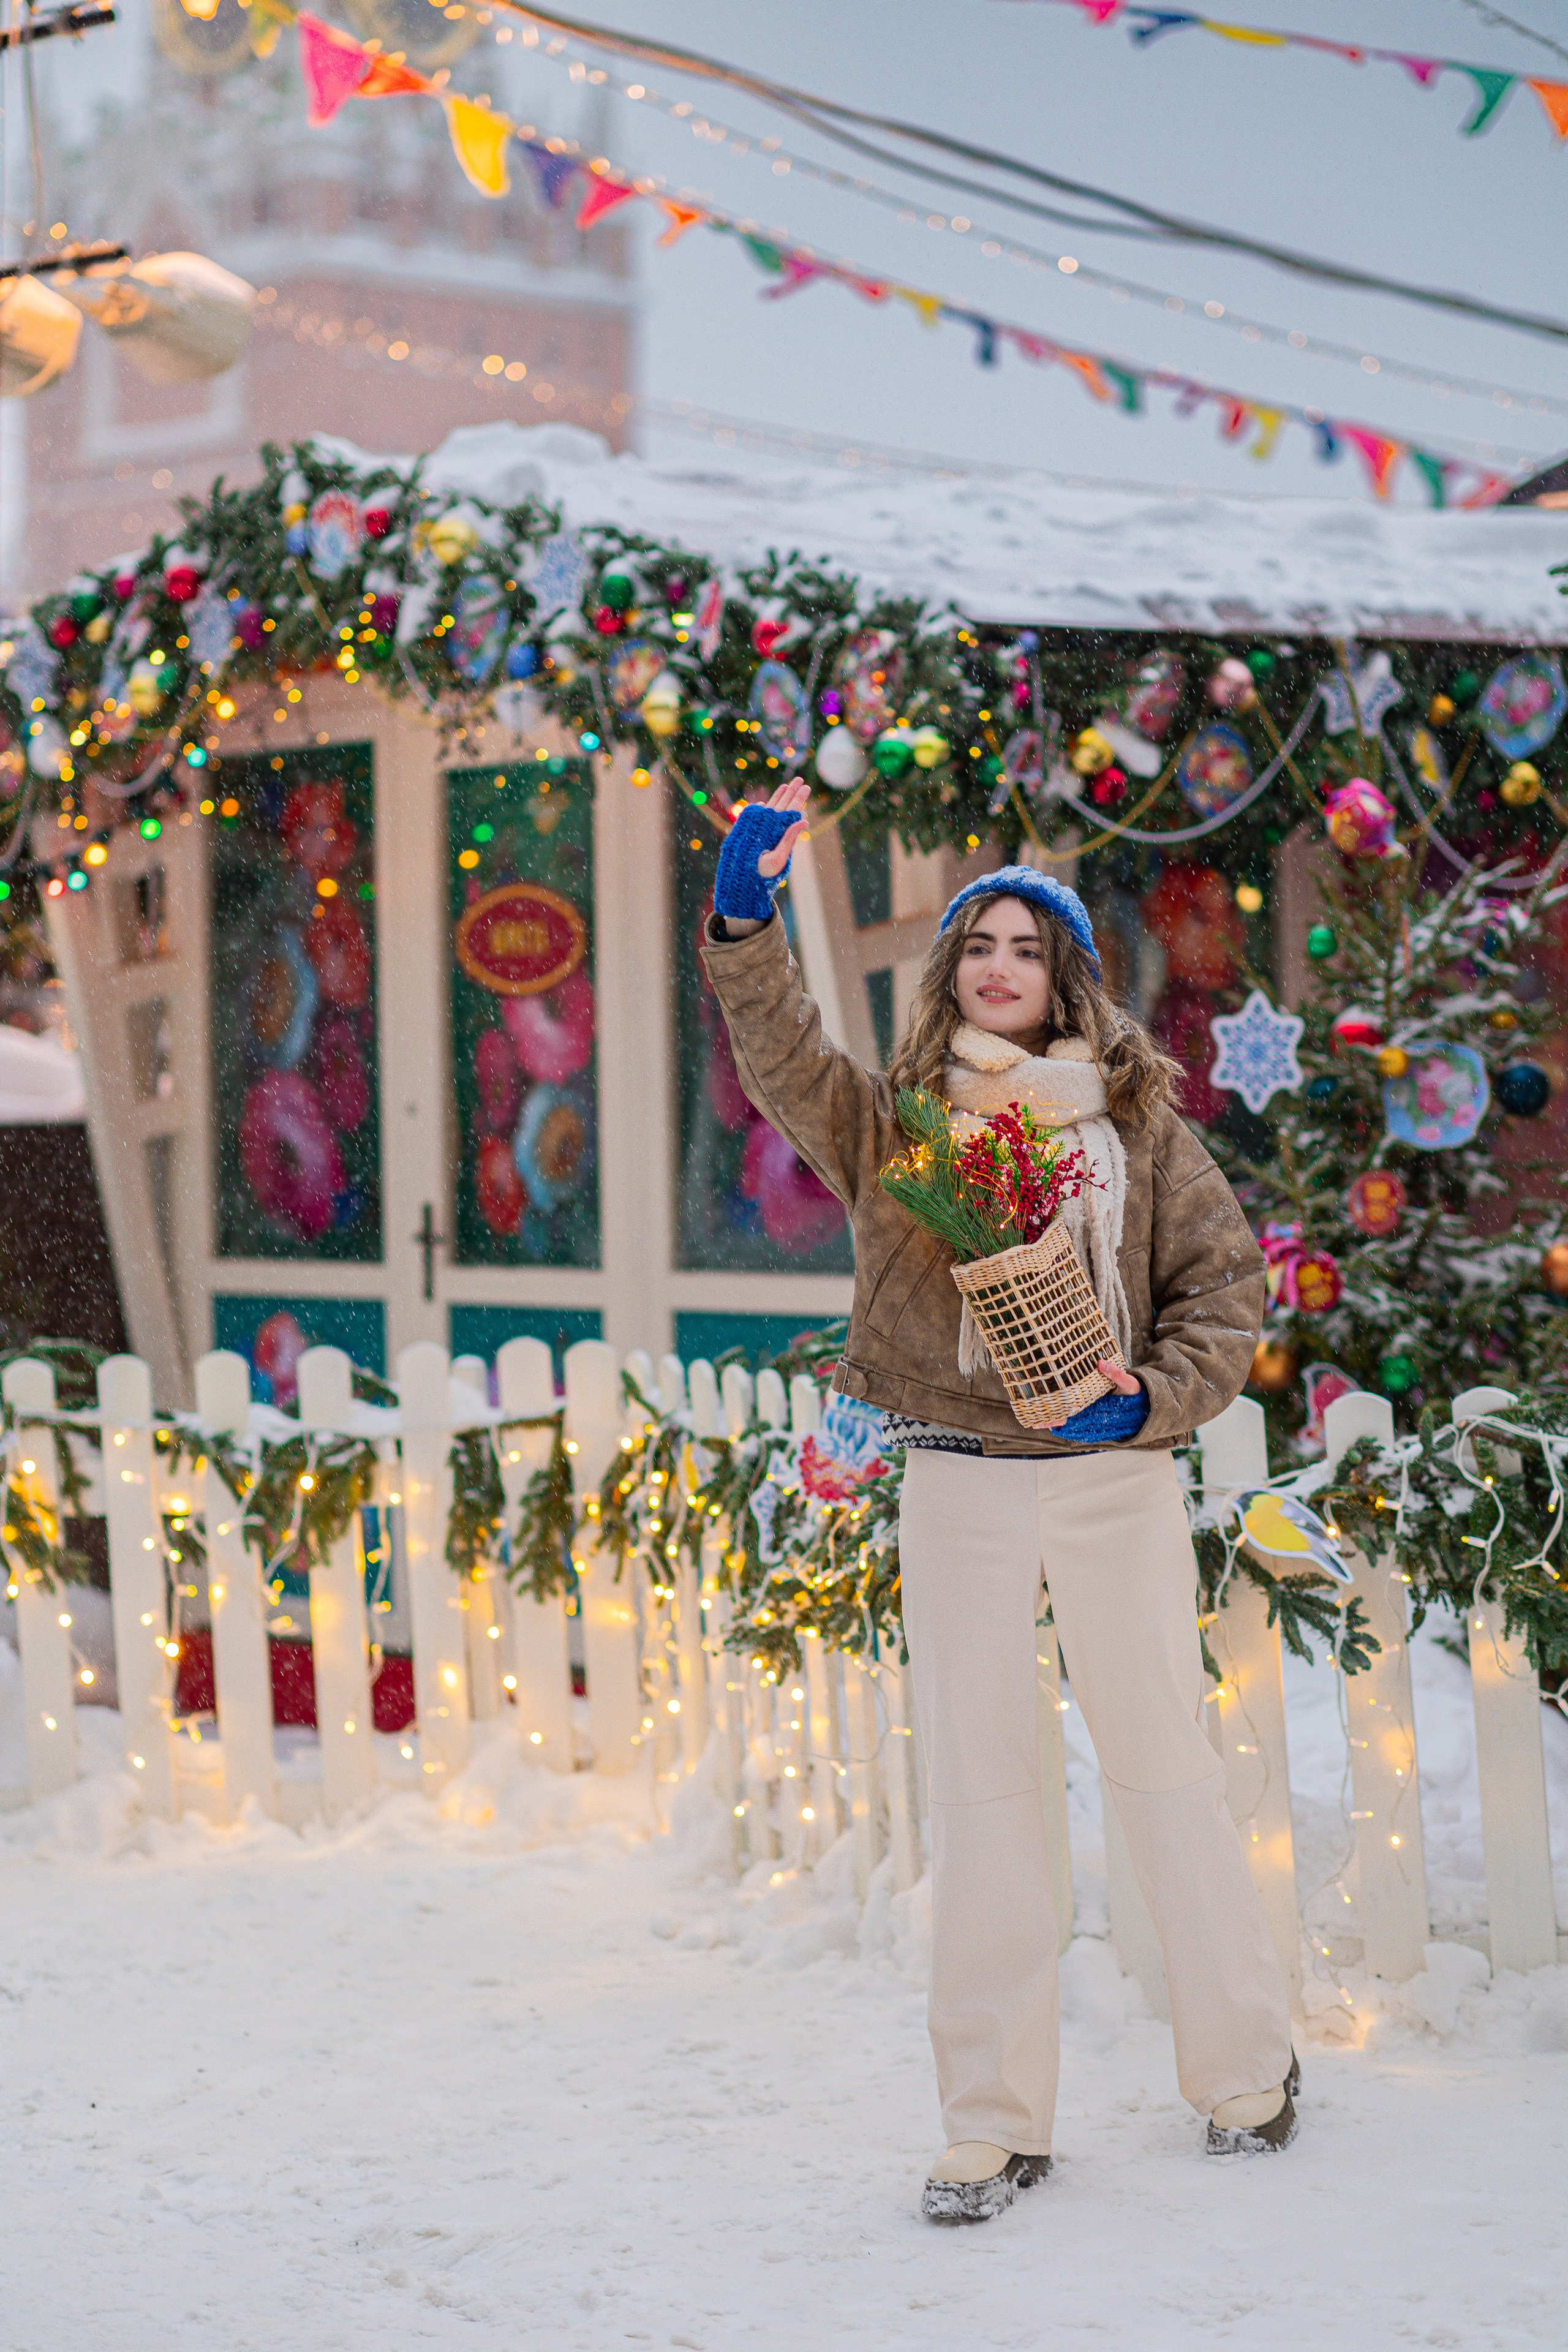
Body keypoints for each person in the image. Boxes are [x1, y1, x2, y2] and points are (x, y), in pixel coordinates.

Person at [701, 778, 1296, 2226]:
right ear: (950, 971)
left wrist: (1144, 1398)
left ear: (1064, 976)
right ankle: (991, 2121)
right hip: (959, 1484)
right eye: (979, 943)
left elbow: (1225, 1296)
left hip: (1108, 1478)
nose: (998, 966)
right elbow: (779, 1052)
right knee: (979, 1799)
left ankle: (1243, 2068)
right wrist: (740, 916)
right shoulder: (898, 1130)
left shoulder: (1140, 1128)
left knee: (1162, 1766)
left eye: (1026, 947)